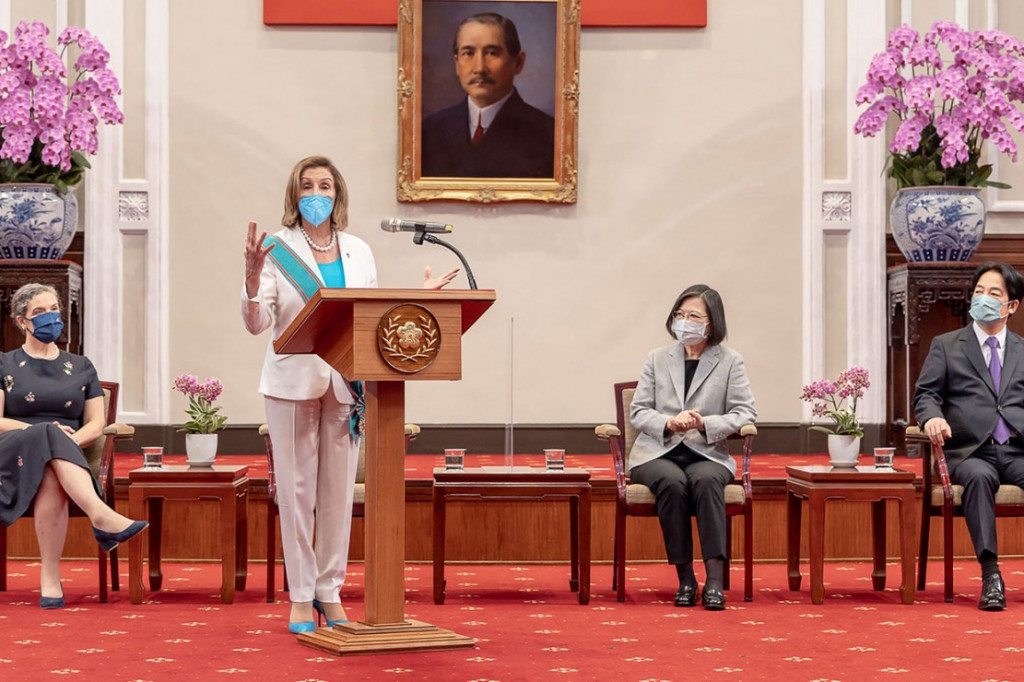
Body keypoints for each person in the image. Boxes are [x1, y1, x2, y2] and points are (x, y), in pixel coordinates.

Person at [241, 155, 457, 634]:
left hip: (346, 383)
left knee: (337, 497)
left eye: (325, 185)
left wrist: (418, 299)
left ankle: (329, 590)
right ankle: (301, 597)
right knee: (297, 495)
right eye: (307, 186)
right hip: (292, 384)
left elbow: (372, 316)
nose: (316, 194)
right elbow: (258, 324)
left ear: (337, 194)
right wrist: (252, 282)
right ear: (294, 195)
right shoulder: (276, 250)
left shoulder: (359, 251)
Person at [0, 283, 148, 609]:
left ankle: (50, 579)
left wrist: (67, 440)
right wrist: (43, 431)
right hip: (12, 452)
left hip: (64, 456)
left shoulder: (81, 366)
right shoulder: (4, 364)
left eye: (54, 309)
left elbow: (96, 422)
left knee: (51, 469)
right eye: (39, 312)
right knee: (47, 434)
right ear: (22, 321)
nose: (50, 317)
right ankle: (102, 516)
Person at [627, 284, 756, 611]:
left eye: (694, 316)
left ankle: (714, 581)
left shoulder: (730, 361)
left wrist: (704, 423)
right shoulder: (657, 358)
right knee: (671, 482)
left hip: (706, 451)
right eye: (680, 314)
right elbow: (638, 411)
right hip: (657, 451)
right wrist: (669, 422)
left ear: (712, 323)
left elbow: (744, 413)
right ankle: (686, 579)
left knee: (707, 480)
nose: (684, 321)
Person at [914, 261, 1024, 611]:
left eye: (993, 293)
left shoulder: (1022, 349)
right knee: (979, 478)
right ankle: (991, 575)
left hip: (1016, 449)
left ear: (1011, 305)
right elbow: (926, 394)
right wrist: (932, 417)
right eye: (979, 291)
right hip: (969, 451)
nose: (983, 298)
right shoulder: (947, 345)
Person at [421, 12, 555, 178]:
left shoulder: (548, 134)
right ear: (457, 64)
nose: (479, 68)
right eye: (468, 53)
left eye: (492, 53)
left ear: (518, 63)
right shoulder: (431, 130)